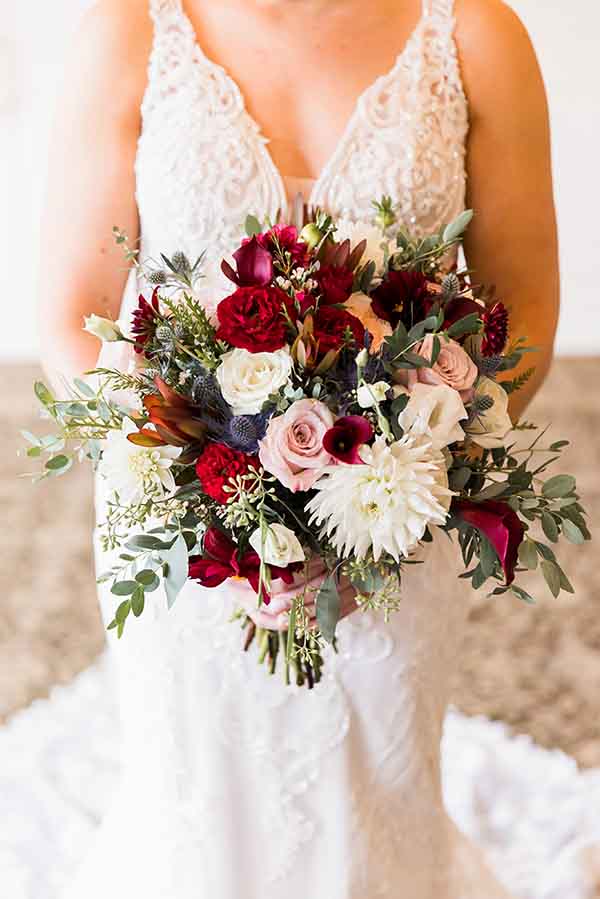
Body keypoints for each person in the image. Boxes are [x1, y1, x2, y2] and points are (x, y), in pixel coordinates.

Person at [39, 1, 559, 896]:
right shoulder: (130, 28)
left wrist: (411, 468)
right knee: (198, 797)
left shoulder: (476, 33)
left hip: (399, 521)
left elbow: (528, 311)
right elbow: (68, 315)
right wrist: (206, 498)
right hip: (186, 525)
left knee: (377, 788)